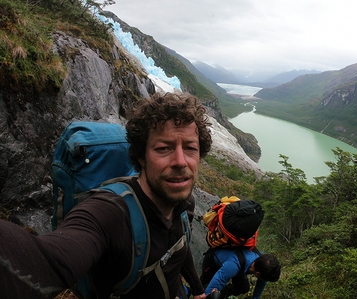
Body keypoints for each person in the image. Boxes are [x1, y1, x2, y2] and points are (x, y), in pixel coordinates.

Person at [0, 91, 211, 299]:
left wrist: (198, 289)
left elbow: (178, 245)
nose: (181, 161)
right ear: (141, 157)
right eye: (164, 148)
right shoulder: (110, 213)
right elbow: (50, 260)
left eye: (191, 148)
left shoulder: (184, 203)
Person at [200, 248, 281, 299]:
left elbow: (262, 281)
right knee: (204, 287)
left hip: (239, 266)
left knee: (243, 287)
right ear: (258, 274)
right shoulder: (233, 266)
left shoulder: (262, 262)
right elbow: (209, 292)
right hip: (214, 260)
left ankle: (222, 295)